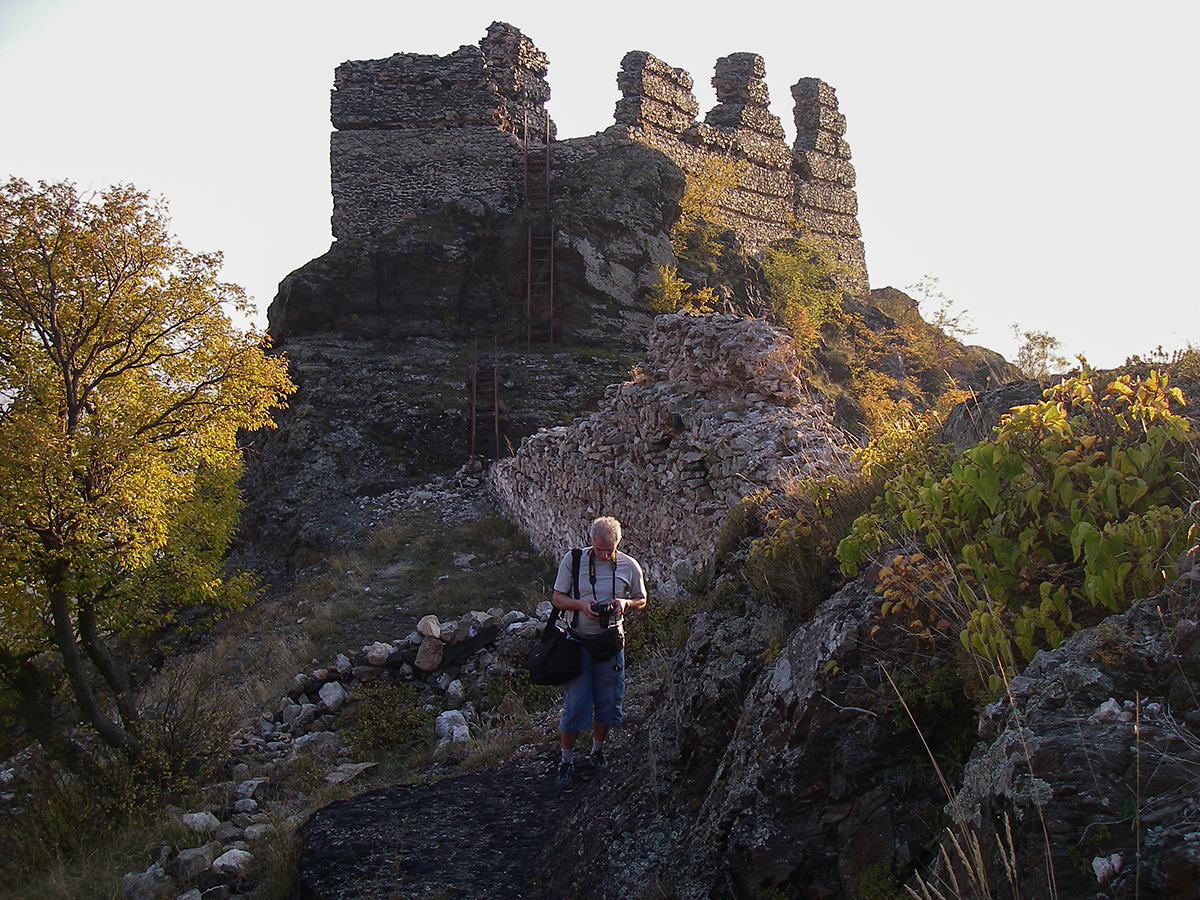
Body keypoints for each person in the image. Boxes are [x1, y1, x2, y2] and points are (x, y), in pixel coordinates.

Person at [551, 516, 647, 789]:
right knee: (575, 704)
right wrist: (581, 606)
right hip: (578, 641)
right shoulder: (574, 560)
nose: (605, 554)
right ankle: (566, 759)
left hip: (610, 643)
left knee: (607, 701)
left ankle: (597, 750)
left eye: (610, 549)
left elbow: (642, 599)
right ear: (591, 540)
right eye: (600, 548)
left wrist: (625, 604)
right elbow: (558, 599)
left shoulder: (629, 565)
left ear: (619, 543)